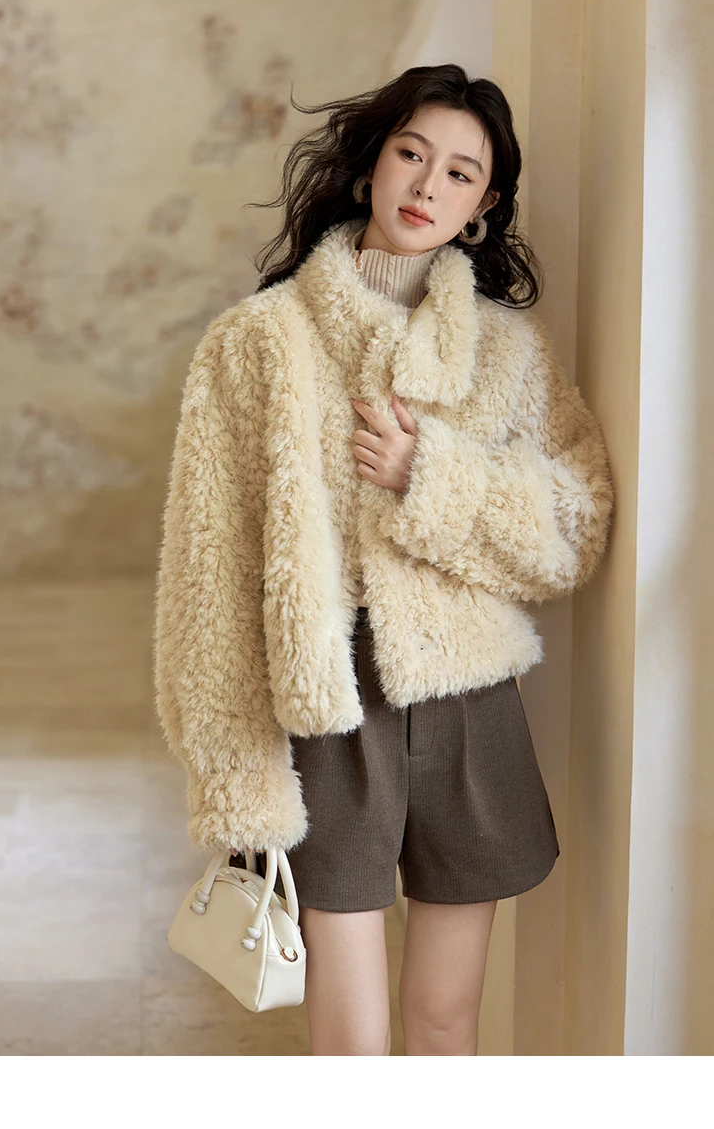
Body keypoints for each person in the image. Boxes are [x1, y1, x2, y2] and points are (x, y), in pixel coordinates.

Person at [153, 63, 615, 1056]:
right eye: (412, 153)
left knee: (445, 1021)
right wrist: (235, 771)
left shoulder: (507, 353)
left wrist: (431, 476)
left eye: (459, 173)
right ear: (371, 166)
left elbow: (576, 524)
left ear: (482, 206)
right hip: (326, 708)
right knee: (351, 1040)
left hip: (467, 700)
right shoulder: (256, 344)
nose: (426, 184)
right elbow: (207, 579)